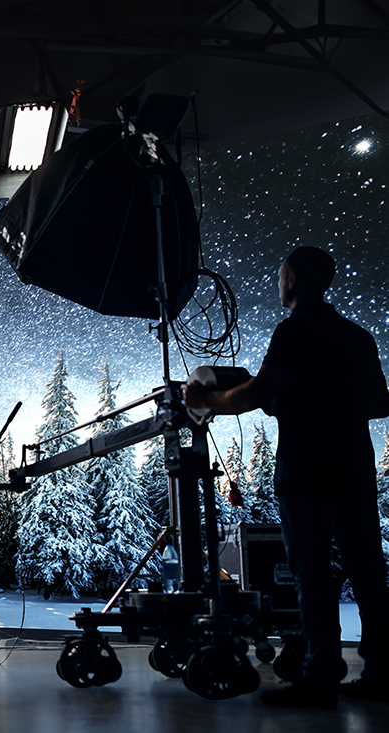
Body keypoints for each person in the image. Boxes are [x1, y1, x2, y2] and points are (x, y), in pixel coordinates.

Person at [185, 246, 389, 708]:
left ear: (293, 279)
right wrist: (326, 401)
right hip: (354, 468)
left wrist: (206, 400)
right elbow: (380, 402)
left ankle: (320, 679)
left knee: (312, 574)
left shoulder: (294, 331)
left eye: (281, 276)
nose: (279, 284)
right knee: (369, 573)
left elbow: (260, 390)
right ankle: (382, 672)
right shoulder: (357, 336)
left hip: (306, 470)